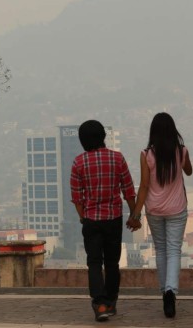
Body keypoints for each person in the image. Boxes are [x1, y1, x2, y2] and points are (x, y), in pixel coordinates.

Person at [70, 120, 141, 322]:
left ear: (83, 141)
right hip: (113, 219)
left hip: (91, 220)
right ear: (103, 137)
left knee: (94, 262)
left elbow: (77, 198)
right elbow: (128, 190)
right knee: (112, 263)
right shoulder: (117, 159)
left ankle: (99, 304)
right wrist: (134, 216)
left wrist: (84, 217)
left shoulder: (78, 162)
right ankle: (110, 302)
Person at [128, 112, 192, 318]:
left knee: (161, 250)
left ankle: (165, 290)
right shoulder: (181, 151)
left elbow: (144, 186)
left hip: (154, 210)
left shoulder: (147, 154)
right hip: (177, 209)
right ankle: (171, 291)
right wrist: (183, 158)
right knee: (174, 250)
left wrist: (135, 215)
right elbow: (189, 171)